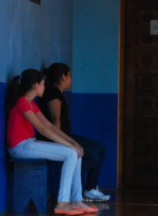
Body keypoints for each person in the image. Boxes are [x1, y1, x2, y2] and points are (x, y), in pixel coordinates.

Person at [6, 69, 98, 216]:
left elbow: (48, 125)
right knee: (70, 153)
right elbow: (42, 129)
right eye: (43, 84)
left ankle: (76, 199)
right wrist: (69, 145)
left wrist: (73, 142)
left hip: (29, 144)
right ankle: (62, 203)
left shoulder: (31, 103)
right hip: (20, 147)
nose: (44, 87)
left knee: (76, 152)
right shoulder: (22, 102)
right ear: (36, 86)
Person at [41, 63, 111, 203]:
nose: (70, 79)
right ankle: (73, 181)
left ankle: (90, 188)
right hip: (59, 138)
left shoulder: (57, 92)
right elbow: (55, 120)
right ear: (63, 77)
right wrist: (61, 143)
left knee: (100, 149)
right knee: (92, 156)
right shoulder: (53, 92)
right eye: (69, 75)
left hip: (66, 136)